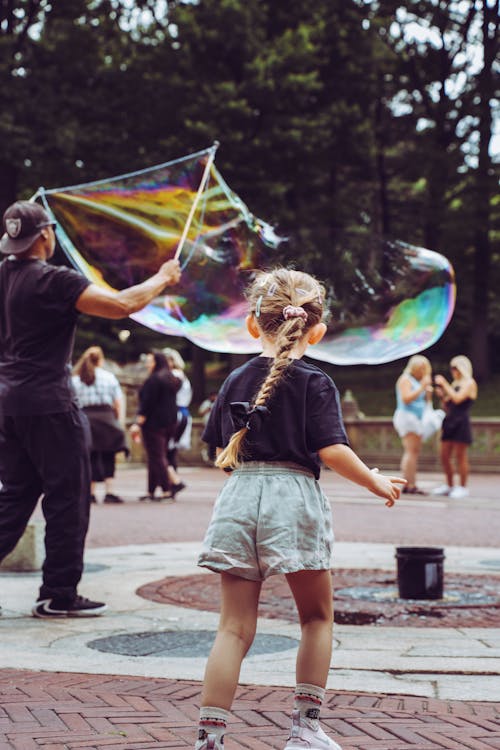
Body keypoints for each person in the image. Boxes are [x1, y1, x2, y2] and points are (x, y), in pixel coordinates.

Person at [195, 268, 404, 750]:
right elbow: (331, 450)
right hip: (293, 497)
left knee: (233, 628)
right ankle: (305, 730)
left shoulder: (232, 380)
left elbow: (217, 451)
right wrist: (374, 480)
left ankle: (210, 739)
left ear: (254, 325)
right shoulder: (316, 382)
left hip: (240, 496)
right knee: (315, 617)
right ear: (318, 330)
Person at [0, 200, 181, 618]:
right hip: (50, 404)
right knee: (68, 499)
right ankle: (58, 595)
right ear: (45, 236)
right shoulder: (54, 281)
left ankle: (58, 591)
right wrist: (162, 277)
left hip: (10, 404)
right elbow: (122, 305)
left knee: (14, 498)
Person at [72, 346, 127, 504]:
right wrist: (118, 421)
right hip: (107, 419)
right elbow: (117, 403)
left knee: (90, 456)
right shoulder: (109, 377)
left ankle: (90, 493)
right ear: (101, 360)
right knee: (109, 455)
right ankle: (110, 492)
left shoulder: (76, 379)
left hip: (85, 419)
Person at [129, 351, 180, 501]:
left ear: (157, 363)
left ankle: (167, 489)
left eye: (150, 361)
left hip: (154, 424)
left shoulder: (153, 380)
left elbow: (146, 405)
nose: (147, 364)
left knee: (157, 457)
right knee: (155, 456)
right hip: (170, 422)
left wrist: (138, 423)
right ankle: (151, 491)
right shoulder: (172, 378)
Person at [432, 355, 478, 499]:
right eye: (451, 368)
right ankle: (449, 485)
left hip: (461, 422)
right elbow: (448, 405)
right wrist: (442, 396)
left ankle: (463, 487)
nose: (452, 371)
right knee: (444, 455)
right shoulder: (455, 383)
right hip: (450, 420)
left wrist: (445, 384)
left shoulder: (470, 383)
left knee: (460, 456)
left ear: (462, 368)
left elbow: (458, 399)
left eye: (454, 368)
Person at [392, 355, 433, 495]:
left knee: (413, 452)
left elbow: (424, 402)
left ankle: (411, 483)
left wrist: (427, 393)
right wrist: (422, 387)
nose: (423, 371)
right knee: (410, 451)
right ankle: (409, 484)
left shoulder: (416, 381)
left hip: (415, 418)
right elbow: (406, 398)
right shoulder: (405, 379)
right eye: (421, 367)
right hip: (407, 417)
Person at [163, 347, 192, 497]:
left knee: (167, 451)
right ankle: (171, 484)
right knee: (171, 451)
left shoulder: (173, 376)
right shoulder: (182, 375)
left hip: (175, 415)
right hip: (183, 414)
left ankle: (173, 483)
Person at [199, 391, 217, 463]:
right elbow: (200, 412)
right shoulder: (206, 403)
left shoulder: (217, 402)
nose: (214, 398)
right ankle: (209, 457)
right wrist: (207, 409)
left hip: (215, 426)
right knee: (207, 442)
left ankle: (213, 457)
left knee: (214, 442)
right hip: (206, 426)